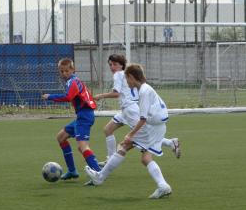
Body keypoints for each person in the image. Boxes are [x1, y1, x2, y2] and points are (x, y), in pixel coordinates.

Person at [85, 63, 172, 199]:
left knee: (124, 145)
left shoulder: (143, 91)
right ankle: (163, 186)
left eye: (126, 79)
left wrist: (130, 134)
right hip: (159, 127)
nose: (126, 82)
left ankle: (100, 177)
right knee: (145, 158)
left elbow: (142, 119)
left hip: (151, 127)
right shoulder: (145, 88)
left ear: (131, 77)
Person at [93, 54, 181, 167]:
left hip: (130, 110)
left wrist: (100, 96)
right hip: (127, 109)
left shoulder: (118, 75)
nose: (112, 67)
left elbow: (116, 93)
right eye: (110, 64)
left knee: (142, 133)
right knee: (107, 129)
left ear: (121, 65)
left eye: (115, 64)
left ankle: (170, 142)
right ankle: (109, 158)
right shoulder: (126, 75)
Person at [42, 58, 101, 180]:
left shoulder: (72, 81)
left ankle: (99, 173)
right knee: (61, 137)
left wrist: (50, 96)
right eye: (62, 71)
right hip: (83, 116)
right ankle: (72, 171)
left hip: (84, 116)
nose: (64, 73)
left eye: (67, 71)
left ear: (73, 70)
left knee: (82, 146)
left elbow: (68, 97)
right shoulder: (73, 81)